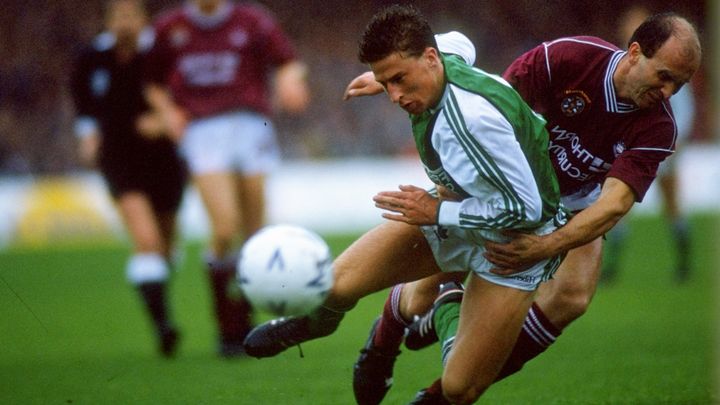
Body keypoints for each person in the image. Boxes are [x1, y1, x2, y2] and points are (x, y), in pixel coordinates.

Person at [344, 11, 702, 404]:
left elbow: (613, 205)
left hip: (571, 208)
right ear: (635, 53)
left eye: (679, 85)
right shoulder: (568, 59)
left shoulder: (660, 126)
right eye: (664, 76)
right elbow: (490, 103)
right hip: (501, 185)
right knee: (426, 285)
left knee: (572, 296)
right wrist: (396, 82)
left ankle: (438, 396)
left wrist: (547, 245)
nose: (668, 93)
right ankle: (385, 338)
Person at [243, 5, 569, 404]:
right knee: (335, 286)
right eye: (387, 82)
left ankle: (448, 299)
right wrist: (382, 79)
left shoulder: (473, 120)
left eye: (399, 80)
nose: (395, 95)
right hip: (460, 212)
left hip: (516, 244)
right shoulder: (440, 61)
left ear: (429, 60)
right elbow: (460, 43)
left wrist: (437, 212)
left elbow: (527, 208)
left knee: (459, 387)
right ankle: (312, 325)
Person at [142, 0, 310, 357]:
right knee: (223, 227)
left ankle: (245, 322)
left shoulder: (251, 21)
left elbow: (288, 61)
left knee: (254, 232)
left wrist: (289, 81)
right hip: (203, 129)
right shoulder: (169, 28)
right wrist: (168, 111)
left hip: (252, 124)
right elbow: (151, 82)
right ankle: (226, 322)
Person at [69, 0, 188, 357]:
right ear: (107, 21)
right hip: (119, 159)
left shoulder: (163, 52)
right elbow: (83, 104)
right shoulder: (91, 58)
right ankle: (164, 327)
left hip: (164, 158)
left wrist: (164, 120)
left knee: (165, 246)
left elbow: (184, 95)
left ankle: (157, 295)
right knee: (147, 240)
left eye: (130, 15)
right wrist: (88, 136)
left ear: (143, 19)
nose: (124, 23)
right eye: (117, 16)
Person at [603, 5, 695, 283]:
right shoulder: (622, 62)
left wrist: (675, 143)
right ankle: (611, 268)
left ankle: (684, 265)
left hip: (664, 150)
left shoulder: (667, 66)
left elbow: (683, 108)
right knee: (617, 207)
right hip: (631, 149)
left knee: (672, 205)